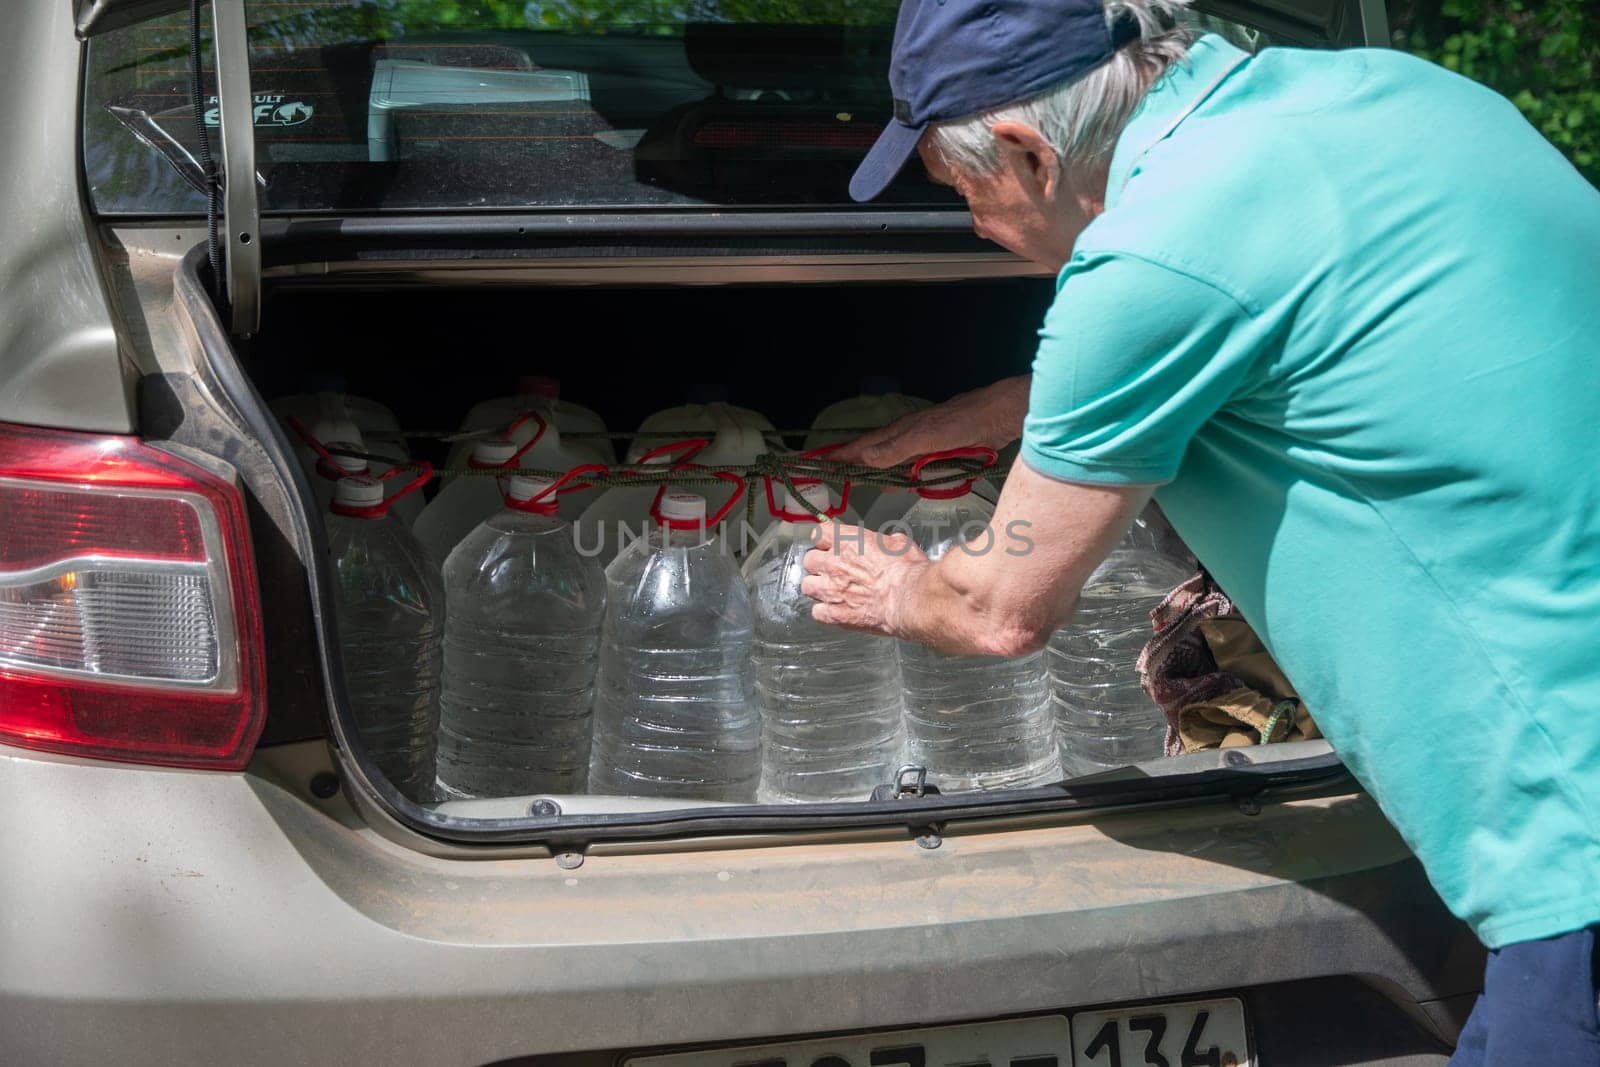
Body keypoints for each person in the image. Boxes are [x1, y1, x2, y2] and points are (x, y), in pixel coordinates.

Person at [798, 0, 1600, 1061]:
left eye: (965, 195)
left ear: (1028, 152)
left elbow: (999, 610)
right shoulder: (1403, 96)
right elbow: (1290, 314)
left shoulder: (1151, 251)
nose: (975, 230)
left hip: (1570, 827)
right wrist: (995, 412)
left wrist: (893, 584)